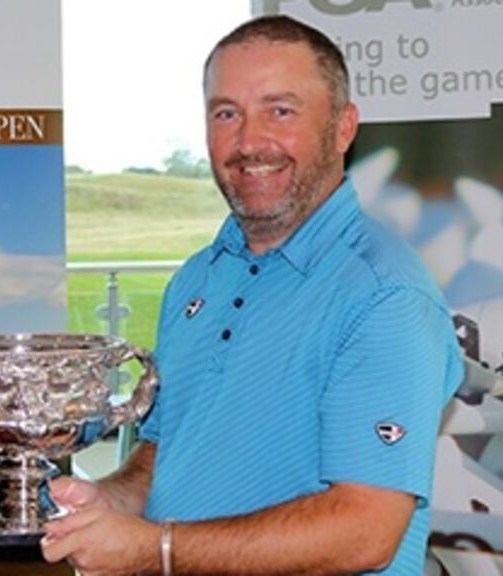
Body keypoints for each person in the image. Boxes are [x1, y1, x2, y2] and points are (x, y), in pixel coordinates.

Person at [41, 15, 464, 576]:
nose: (249, 142)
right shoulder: (197, 279)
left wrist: (154, 550)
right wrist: (107, 502)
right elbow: (166, 453)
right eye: (226, 113)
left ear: (343, 128)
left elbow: (365, 530)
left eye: (280, 110)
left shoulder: (386, 296)